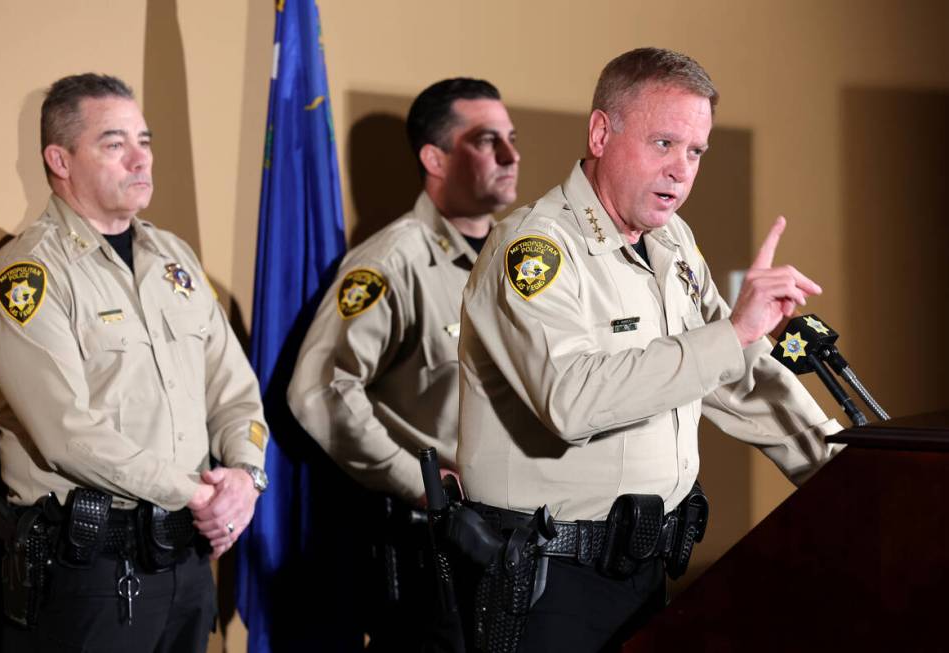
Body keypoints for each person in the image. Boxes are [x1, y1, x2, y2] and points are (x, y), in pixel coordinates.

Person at [456, 48, 842, 652]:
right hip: (545, 580)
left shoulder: (672, 241)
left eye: (695, 152)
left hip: (642, 571)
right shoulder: (535, 249)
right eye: (663, 143)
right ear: (602, 133)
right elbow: (571, 401)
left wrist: (846, 471)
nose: (681, 170)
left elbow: (731, 375)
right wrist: (734, 331)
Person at [0, 73, 269, 652]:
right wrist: (201, 494)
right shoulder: (28, 277)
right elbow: (66, 434)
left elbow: (234, 388)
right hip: (90, 574)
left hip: (185, 562)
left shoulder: (172, 257)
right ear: (60, 159)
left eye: (145, 140)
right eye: (114, 144)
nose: (140, 159)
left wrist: (246, 477)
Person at [288, 77, 519, 650]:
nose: (512, 156)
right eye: (488, 141)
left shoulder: (521, 258)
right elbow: (319, 388)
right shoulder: (393, 263)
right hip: (433, 556)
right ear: (434, 158)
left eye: (512, 139)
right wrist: (415, 484)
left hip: (517, 542)